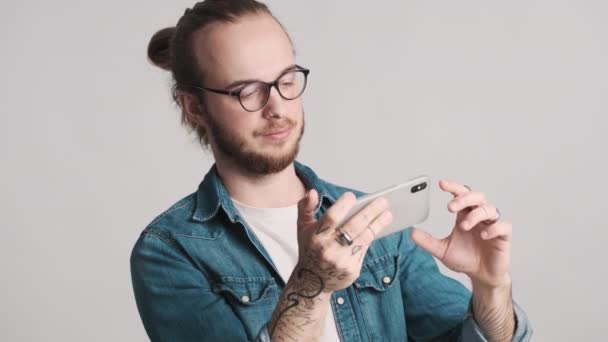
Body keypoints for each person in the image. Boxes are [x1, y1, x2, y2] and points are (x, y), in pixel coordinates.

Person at [130, 1, 532, 341]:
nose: (278, 107)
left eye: (286, 80)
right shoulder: (169, 252)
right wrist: (310, 286)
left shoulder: (373, 224)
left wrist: (491, 288)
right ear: (195, 107)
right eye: (247, 90)